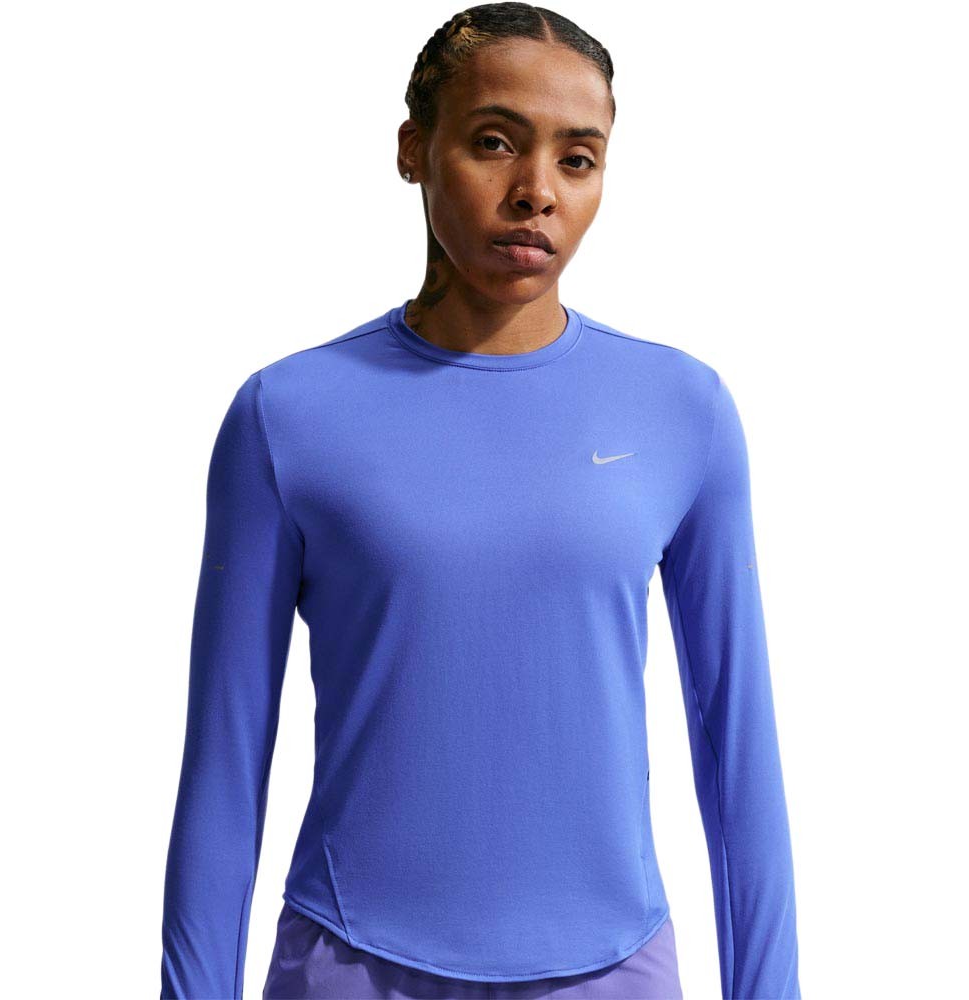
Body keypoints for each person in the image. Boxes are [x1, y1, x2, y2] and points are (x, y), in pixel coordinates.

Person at [159, 4, 802, 998]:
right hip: (348, 963)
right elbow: (224, 764)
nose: (536, 191)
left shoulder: (683, 411)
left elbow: (738, 751)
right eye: (495, 143)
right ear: (414, 149)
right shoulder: (287, 416)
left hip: (611, 969)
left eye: (577, 159)